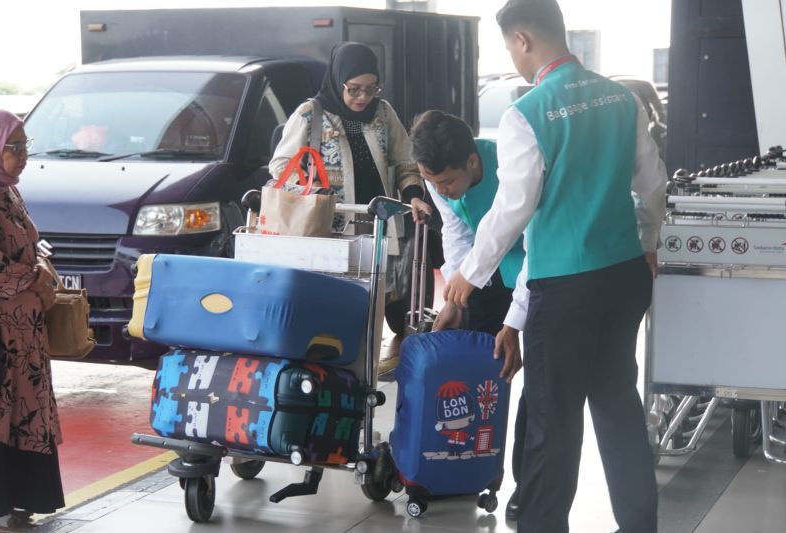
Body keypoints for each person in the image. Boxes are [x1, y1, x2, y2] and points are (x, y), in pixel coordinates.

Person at [444, 1, 667, 532]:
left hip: (564, 288)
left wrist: (468, 274)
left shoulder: (527, 113)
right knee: (617, 409)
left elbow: (513, 209)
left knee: (553, 423)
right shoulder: (623, 98)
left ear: (522, 39)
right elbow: (653, 182)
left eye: (508, 47)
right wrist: (649, 240)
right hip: (624, 276)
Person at [270, 42, 433, 372]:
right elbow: (280, 165)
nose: (363, 98)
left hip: (377, 226)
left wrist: (414, 194)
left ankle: (364, 373)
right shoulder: (310, 114)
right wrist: (309, 186)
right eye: (354, 89)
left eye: (371, 89)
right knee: (336, 303)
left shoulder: (384, 112)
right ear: (337, 80)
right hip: (329, 228)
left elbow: (405, 161)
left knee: (373, 303)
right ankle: (333, 370)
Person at [409, 109, 529, 521]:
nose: (441, 189)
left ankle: (527, 486)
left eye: (447, 182)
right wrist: (457, 299)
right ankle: (466, 469)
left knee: (537, 386)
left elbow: (535, 246)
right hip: (483, 275)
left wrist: (515, 320)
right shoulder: (437, 177)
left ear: (473, 163)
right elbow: (456, 229)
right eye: (433, 181)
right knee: (483, 377)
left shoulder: (514, 166)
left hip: (535, 271)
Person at [0, 109, 63, 530]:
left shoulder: (8, 193)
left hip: (27, 338)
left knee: (27, 414)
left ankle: (23, 500)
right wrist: (37, 276)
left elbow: (30, 246)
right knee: (0, 414)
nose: (22, 155)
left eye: (24, 145)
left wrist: (41, 267)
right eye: (11, 147)